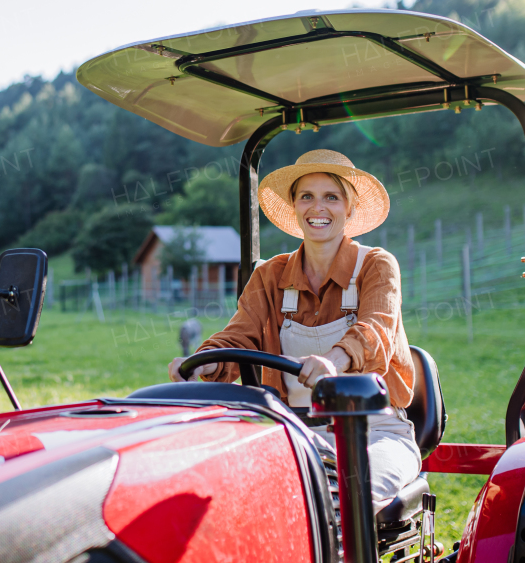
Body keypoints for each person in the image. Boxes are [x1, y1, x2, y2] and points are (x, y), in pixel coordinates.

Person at [166, 149, 418, 512]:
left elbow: (377, 330)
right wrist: (203, 362)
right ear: (295, 206)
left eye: (331, 196)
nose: (319, 207)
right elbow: (237, 337)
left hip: (372, 431)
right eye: (307, 197)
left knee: (342, 495)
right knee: (223, 490)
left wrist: (335, 360)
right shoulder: (270, 276)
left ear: (349, 207)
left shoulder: (376, 266)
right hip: (293, 431)